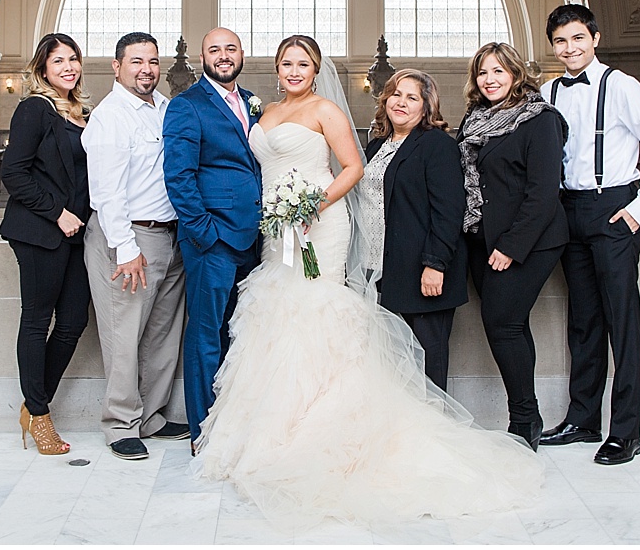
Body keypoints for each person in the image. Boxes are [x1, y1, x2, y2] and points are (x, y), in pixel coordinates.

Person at [195, 35, 542, 527]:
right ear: (275, 69)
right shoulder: (264, 110)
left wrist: (311, 205)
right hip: (278, 230)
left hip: (318, 223)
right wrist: (280, 212)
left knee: (317, 316)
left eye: (305, 64)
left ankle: (332, 429)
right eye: (287, 63)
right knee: (278, 317)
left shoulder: (330, 113)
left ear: (318, 71)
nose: (295, 71)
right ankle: (278, 430)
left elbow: (353, 169)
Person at [538, 3, 640, 466]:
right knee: (583, 321)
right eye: (560, 41)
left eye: (578, 38)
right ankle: (582, 419)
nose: (570, 48)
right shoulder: (547, 91)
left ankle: (626, 432)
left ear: (594, 39)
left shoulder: (622, 86)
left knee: (622, 322)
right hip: (568, 210)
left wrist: (639, 211)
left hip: (613, 208)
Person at [81, 32, 191, 461]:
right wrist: (126, 249)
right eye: (136, 62)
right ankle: (120, 423)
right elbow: (107, 193)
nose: (146, 69)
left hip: (169, 236)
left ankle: (151, 416)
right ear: (116, 66)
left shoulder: (163, 108)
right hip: (128, 239)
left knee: (163, 334)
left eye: (152, 61)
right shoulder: (110, 116)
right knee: (124, 335)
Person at [457, 42, 568, 452]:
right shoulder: (476, 120)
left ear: (517, 75)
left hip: (528, 242)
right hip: (482, 241)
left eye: (499, 72)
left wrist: (510, 246)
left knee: (503, 322)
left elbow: (543, 193)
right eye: (484, 72)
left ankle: (525, 419)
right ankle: (526, 415)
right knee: (510, 324)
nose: (490, 80)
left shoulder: (540, 120)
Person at [161, 27, 263, 447]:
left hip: (255, 239)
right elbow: (178, 175)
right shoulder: (187, 106)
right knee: (205, 334)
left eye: (231, 48)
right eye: (214, 50)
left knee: (241, 332)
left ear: (242, 54)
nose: (223, 56)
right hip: (213, 240)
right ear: (202, 58)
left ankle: (237, 417)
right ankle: (204, 431)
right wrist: (203, 231)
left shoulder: (253, 102)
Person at [0, 32, 91, 455]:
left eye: (73, 59)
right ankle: (39, 415)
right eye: (58, 62)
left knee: (72, 323)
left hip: (77, 236)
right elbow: (14, 174)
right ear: (41, 69)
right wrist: (57, 212)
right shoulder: (34, 108)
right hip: (40, 233)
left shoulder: (82, 112)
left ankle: (34, 405)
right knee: (37, 321)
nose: (68, 67)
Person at [361, 68, 467, 391]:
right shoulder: (376, 145)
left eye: (412, 97)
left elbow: (449, 210)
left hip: (421, 271)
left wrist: (435, 264)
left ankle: (433, 434)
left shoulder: (436, 144)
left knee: (427, 361)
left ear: (426, 106)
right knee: (391, 363)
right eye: (396, 94)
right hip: (380, 268)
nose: (401, 103)